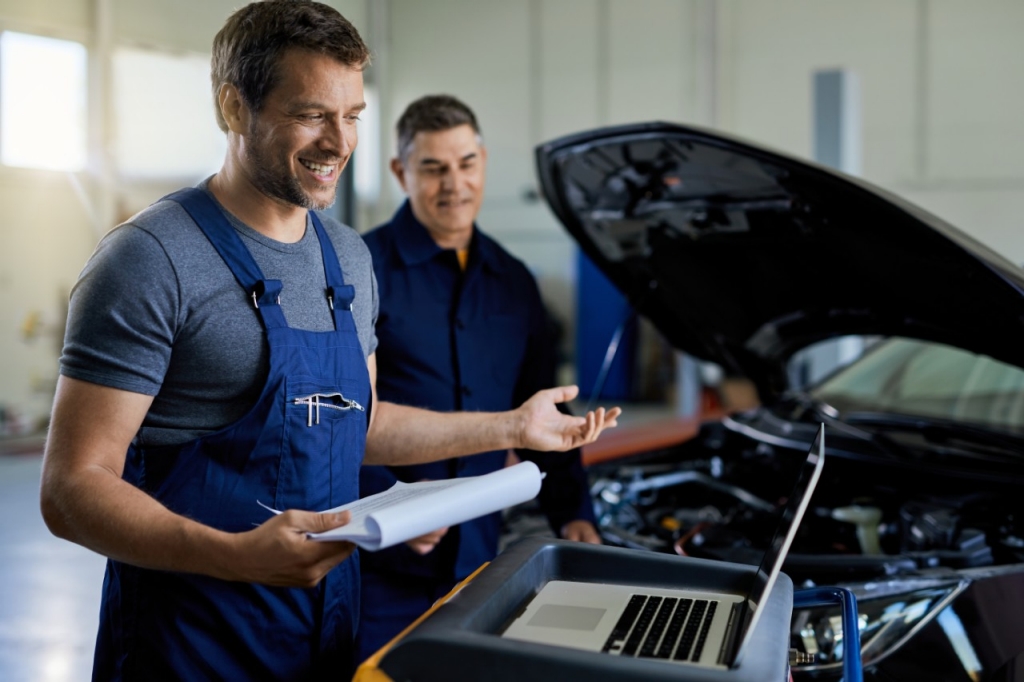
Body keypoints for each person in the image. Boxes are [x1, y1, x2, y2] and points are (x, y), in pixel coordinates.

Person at [37, 3, 619, 680]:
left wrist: (511, 426)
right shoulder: (149, 259)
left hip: (327, 635)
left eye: (353, 117)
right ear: (233, 107)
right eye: (313, 113)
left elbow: (359, 424)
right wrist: (236, 555)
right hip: (194, 644)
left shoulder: (347, 258)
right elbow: (72, 486)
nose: (339, 142)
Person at [356, 95, 602, 662]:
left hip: (479, 562)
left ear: (484, 162)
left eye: (466, 163)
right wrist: (385, 508)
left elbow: (540, 408)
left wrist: (574, 511)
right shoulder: (361, 272)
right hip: (379, 565)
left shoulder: (514, 282)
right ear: (400, 172)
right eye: (433, 167)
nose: (454, 184)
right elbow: (337, 421)